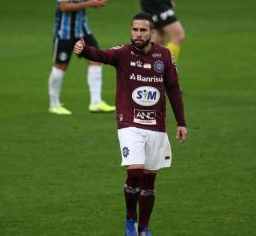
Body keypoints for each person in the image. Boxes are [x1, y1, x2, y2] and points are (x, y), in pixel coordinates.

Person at [74, 12, 187, 236]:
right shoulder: (123, 53)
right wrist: (84, 50)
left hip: (156, 124)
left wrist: (181, 122)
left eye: (142, 30)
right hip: (129, 122)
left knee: (149, 181)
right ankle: (130, 220)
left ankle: (143, 227)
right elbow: (103, 55)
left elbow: (173, 88)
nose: (137, 34)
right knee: (135, 172)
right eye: (134, 29)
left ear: (152, 33)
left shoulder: (164, 56)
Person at [48, 0, 116, 115]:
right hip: (64, 32)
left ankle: (96, 102)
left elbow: (87, 1)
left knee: (96, 60)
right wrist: (89, 3)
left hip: (82, 30)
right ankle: (54, 104)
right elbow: (64, 6)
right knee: (60, 67)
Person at [134, 0, 185, 64]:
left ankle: (144, 70)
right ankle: (167, 70)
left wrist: (167, 0)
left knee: (158, 37)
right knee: (178, 35)